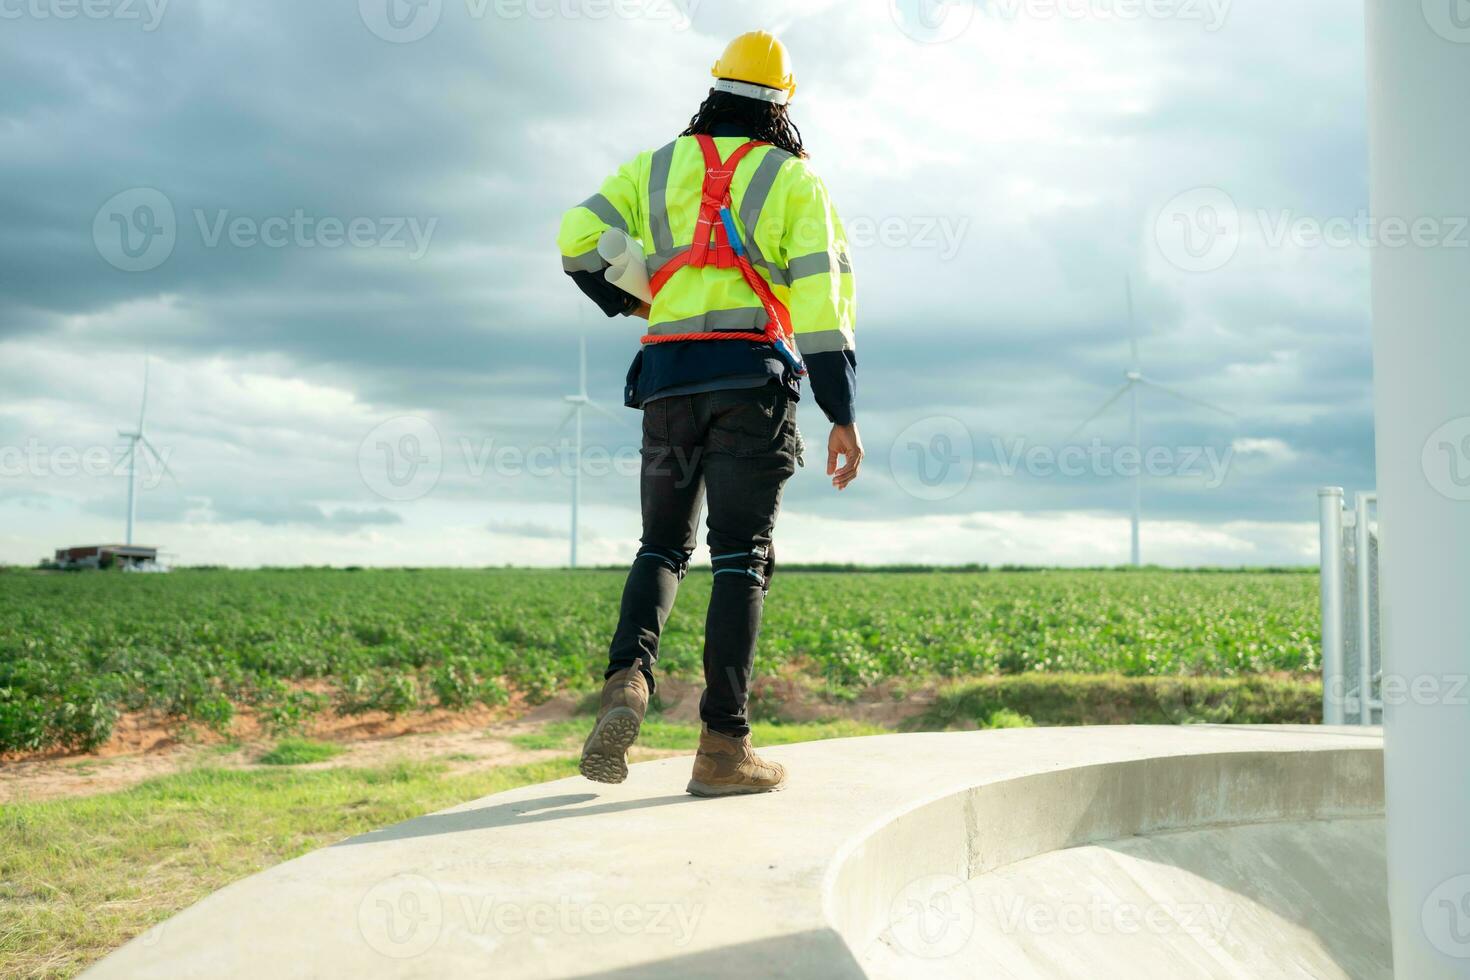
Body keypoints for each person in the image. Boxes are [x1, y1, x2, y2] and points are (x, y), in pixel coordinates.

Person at [556, 31, 861, 796]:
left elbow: (574, 239)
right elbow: (822, 306)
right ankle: (722, 748)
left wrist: (637, 295)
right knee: (740, 557)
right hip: (749, 381)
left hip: (664, 380)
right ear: (782, 104)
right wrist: (841, 410)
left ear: (715, 88)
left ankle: (627, 679)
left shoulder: (655, 167)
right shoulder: (795, 182)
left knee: (660, 545)